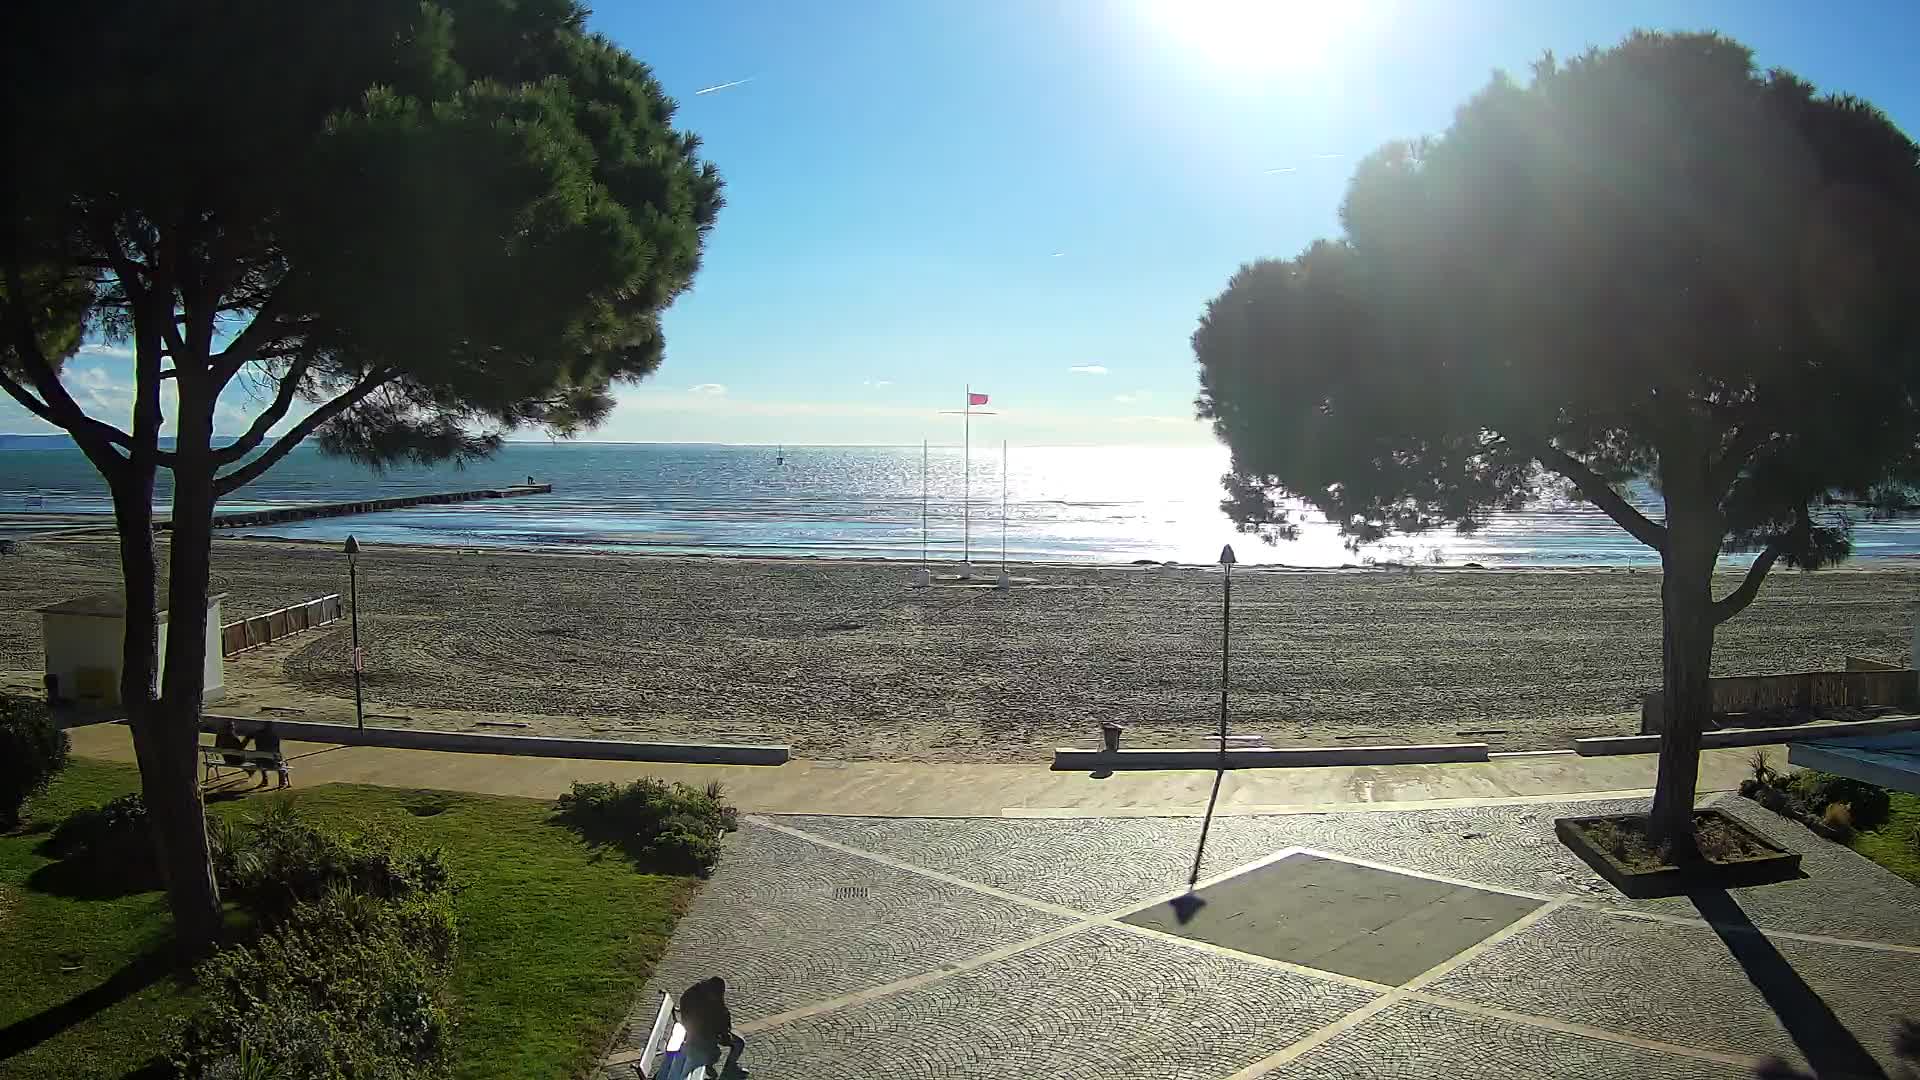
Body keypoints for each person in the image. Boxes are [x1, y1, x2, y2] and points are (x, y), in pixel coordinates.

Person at [250, 721, 288, 789]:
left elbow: (257, 746)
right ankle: (283, 781)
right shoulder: (274, 736)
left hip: (260, 762)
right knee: (282, 761)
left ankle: (265, 779)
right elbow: (277, 751)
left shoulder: (258, 735)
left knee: (261, 757)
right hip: (272, 763)